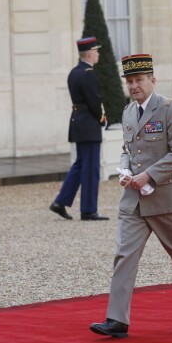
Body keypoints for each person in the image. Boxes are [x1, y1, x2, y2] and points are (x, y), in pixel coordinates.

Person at [90, 54, 172, 338]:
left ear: (152, 80)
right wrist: (124, 168)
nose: (134, 86)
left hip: (166, 196)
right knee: (124, 255)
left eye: (139, 80)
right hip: (134, 199)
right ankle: (117, 319)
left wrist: (149, 175)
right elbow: (129, 148)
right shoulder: (128, 112)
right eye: (130, 81)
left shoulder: (169, 109)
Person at [49, 37, 109, 221]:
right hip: (89, 124)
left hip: (77, 122)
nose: (98, 54)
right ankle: (88, 210)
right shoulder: (88, 73)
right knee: (91, 168)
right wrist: (102, 118)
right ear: (90, 53)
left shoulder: (74, 72)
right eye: (96, 51)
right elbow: (94, 101)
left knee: (80, 165)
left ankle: (60, 202)